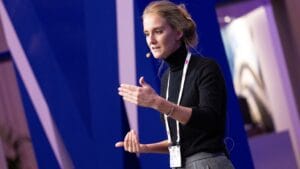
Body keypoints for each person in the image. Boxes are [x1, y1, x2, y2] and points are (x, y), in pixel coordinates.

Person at [115, 1, 235, 168]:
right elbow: (182, 139)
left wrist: (157, 103)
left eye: (158, 31)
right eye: (146, 33)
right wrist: (145, 148)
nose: (151, 40)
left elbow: (209, 120)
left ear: (178, 32)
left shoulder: (205, 68)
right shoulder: (167, 78)